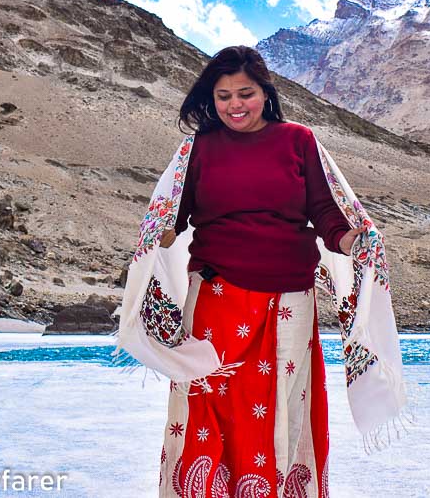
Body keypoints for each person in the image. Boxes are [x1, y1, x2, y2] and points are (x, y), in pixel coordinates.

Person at [113, 46, 408, 498]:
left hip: (288, 300)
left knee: (279, 407)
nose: (235, 105)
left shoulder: (298, 140)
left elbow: (325, 211)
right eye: (224, 96)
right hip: (214, 297)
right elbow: (178, 212)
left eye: (245, 93)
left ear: (265, 93)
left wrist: (350, 242)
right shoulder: (199, 148)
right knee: (209, 405)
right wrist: (162, 236)